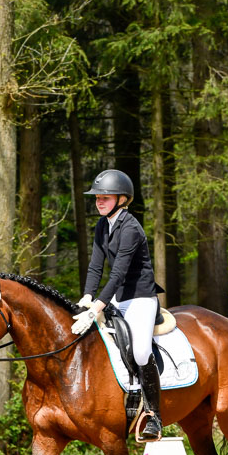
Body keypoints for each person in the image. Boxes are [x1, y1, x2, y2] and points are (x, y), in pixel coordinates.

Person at [71, 169, 162, 439]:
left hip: (141, 297)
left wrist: (97, 307)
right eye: (97, 197)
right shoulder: (102, 225)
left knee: (142, 352)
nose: (99, 201)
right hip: (117, 296)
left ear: (122, 199)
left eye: (105, 197)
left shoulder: (131, 228)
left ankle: (155, 416)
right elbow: (96, 267)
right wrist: (87, 298)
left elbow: (119, 273)